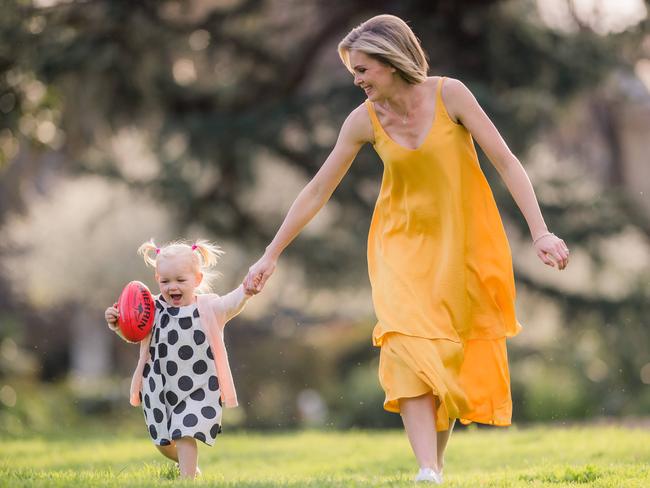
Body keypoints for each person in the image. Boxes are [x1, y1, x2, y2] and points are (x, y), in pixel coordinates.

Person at [243, 14, 570, 484]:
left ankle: (433, 467)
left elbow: (505, 159)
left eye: (362, 69)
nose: (355, 80)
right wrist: (270, 254)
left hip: (462, 246)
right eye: (353, 71)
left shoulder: (449, 94)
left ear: (392, 62)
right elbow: (316, 190)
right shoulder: (363, 121)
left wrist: (540, 232)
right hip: (400, 247)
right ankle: (425, 469)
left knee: (447, 355)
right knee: (403, 344)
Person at [105, 239, 258, 480]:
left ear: (197, 280)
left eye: (180, 280)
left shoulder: (209, 308)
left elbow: (232, 302)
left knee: (186, 431)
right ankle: (189, 465)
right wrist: (118, 324)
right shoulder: (152, 309)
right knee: (163, 441)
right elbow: (135, 332)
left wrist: (246, 292)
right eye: (165, 281)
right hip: (159, 387)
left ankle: (187, 479)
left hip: (198, 386)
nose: (172, 287)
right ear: (157, 279)